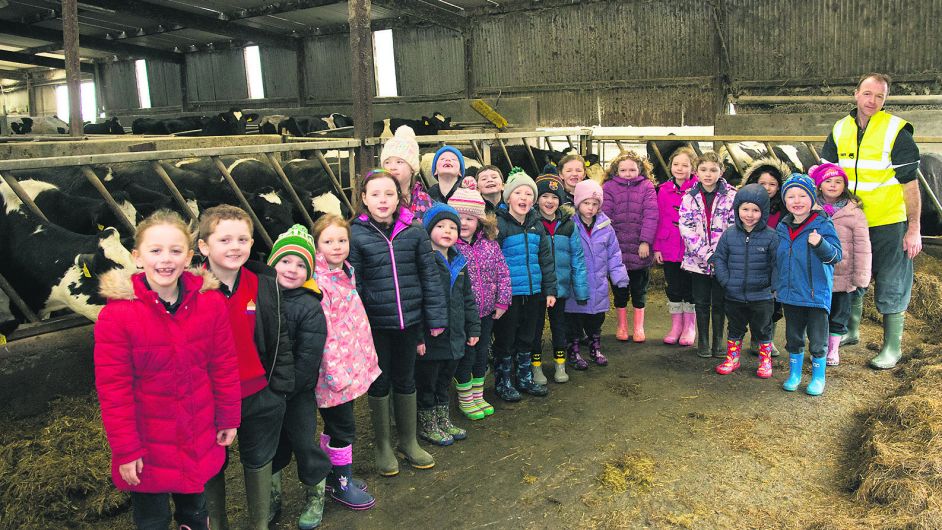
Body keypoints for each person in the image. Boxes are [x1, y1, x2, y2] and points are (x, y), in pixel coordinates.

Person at [94, 210, 241, 530]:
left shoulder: (210, 304)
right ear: (136, 257)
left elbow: (223, 364)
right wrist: (127, 448)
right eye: (155, 250)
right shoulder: (116, 317)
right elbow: (113, 391)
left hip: (198, 432)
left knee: (195, 510)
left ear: (188, 256)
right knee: (153, 519)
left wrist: (229, 416)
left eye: (175, 251)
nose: (166, 259)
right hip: (146, 444)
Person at [197, 205, 295, 530]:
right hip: (209, 400)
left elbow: (279, 336)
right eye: (224, 239)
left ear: (252, 243)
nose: (234, 246)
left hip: (259, 393)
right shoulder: (190, 291)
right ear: (203, 246)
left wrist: (278, 388)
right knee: (210, 465)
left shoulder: (264, 285)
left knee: (259, 458)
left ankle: (259, 524)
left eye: (242, 239)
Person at [348, 169, 447, 476]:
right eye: (375, 194)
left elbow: (429, 276)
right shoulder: (356, 234)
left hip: (409, 321)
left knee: (406, 378)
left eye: (389, 194)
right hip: (375, 325)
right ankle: (383, 446)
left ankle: (408, 441)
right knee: (380, 381)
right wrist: (357, 325)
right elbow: (356, 283)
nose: (382, 200)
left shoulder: (414, 231)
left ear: (398, 197)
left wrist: (435, 316)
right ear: (364, 198)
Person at [820, 72, 921, 369]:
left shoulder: (896, 130)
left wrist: (913, 228)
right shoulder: (840, 130)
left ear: (885, 99)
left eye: (879, 96)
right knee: (850, 274)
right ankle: (850, 329)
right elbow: (827, 177)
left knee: (892, 279)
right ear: (856, 94)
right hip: (850, 221)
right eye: (867, 94)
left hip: (888, 222)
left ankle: (892, 346)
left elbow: (910, 185)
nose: (872, 101)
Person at [265, 225, 358, 526]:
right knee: (271, 446)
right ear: (273, 262)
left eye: (301, 264)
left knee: (304, 444)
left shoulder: (309, 304)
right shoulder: (262, 299)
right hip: (265, 394)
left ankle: (315, 496)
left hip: (296, 393)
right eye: (285, 261)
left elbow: (308, 358)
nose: (292, 269)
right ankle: (271, 497)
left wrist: (288, 388)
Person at [310, 214, 380, 509]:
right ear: (317, 245)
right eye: (328, 241)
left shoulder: (345, 272)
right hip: (335, 373)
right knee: (344, 429)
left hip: (351, 365)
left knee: (335, 426)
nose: (337, 246)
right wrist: (335, 373)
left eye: (342, 240)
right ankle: (342, 484)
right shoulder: (319, 282)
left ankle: (332, 474)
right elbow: (324, 334)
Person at [415, 203, 481, 445]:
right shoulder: (424, 262)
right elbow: (418, 301)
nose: (447, 231)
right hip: (432, 337)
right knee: (428, 381)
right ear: (428, 229)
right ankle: (427, 423)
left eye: (452, 227)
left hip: (455, 335)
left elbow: (468, 298)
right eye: (440, 226)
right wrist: (419, 336)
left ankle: (443, 419)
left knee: (445, 380)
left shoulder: (459, 261)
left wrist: (473, 328)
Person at [493, 167, 557, 400]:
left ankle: (524, 377)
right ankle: (503, 381)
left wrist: (549, 290)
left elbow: (546, 260)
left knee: (528, 336)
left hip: (534, 292)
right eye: (518, 193)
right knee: (506, 338)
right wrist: (498, 294)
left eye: (529, 194)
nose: (524, 198)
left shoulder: (536, 224)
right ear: (508, 197)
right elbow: (495, 263)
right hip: (509, 295)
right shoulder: (499, 225)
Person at [776, 174, 842, 396]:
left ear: (812, 198)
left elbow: (835, 256)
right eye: (791, 196)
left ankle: (818, 377)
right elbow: (777, 258)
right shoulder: (782, 226)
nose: (797, 200)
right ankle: (794, 374)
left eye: (802, 195)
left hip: (815, 294)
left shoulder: (823, 224)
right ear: (785, 201)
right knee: (793, 338)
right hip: (790, 293)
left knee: (817, 340)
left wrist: (821, 244)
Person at [452, 177, 511, 417]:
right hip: (464, 316)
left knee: (481, 354)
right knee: (466, 356)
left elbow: (503, 273)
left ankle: (478, 396)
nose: (464, 223)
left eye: (469, 218)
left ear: (480, 221)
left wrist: (502, 300)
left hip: (487, 311)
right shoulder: (451, 248)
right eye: (459, 218)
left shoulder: (490, 244)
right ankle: (465, 399)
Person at [712, 184, 779, 378]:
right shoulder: (729, 234)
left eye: (755, 210)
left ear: (763, 211)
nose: (750, 215)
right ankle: (732, 358)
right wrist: (726, 280)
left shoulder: (771, 236)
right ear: (737, 209)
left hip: (762, 295)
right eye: (745, 209)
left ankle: (765, 361)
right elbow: (720, 259)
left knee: (763, 329)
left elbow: (777, 264)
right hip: (734, 293)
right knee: (735, 327)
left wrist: (773, 287)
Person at [811, 163, 872, 367]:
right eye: (828, 181)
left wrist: (861, 277)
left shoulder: (854, 212)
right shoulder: (810, 208)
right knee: (817, 314)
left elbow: (863, 246)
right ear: (819, 185)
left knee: (838, 314)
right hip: (817, 272)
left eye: (838, 182)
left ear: (844, 185)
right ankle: (818, 348)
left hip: (843, 274)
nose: (833, 185)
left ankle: (833, 350)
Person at [530, 174, 589, 383]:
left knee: (559, 326)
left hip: (561, 286)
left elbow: (578, 258)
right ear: (537, 199)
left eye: (554, 197)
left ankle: (559, 363)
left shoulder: (568, 225)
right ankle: (535, 366)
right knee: (535, 328)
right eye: (544, 196)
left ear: (561, 200)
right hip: (538, 287)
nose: (549, 201)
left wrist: (581, 290)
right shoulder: (531, 224)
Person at [565, 179, 630, 368]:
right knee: (575, 320)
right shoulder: (570, 226)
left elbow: (614, 255)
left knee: (596, 320)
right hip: (576, 285)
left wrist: (620, 279)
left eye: (595, 204)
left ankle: (595, 348)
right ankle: (574, 351)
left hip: (599, 284)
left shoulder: (605, 227)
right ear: (578, 203)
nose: (591, 208)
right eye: (586, 203)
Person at [679, 152, 737, 358]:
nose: (708, 174)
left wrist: (719, 256)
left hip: (723, 261)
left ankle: (718, 344)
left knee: (720, 303)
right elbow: (687, 229)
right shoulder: (689, 197)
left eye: (713, 170)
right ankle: (703, 343)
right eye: (703, 170)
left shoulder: (731, 195)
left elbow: (734, 227)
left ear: (721, 171)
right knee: (702, 302)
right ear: (696, 172)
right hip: (697, 262)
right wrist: (706, 254)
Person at [603, 151, 658, 343]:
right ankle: (622, 325)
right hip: (616, 248)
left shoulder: (647, 187)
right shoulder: (608, 187)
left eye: (632, 169)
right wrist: (608, 244)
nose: (628, 173)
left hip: (639, 248)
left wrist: (645, 241)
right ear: (615, 171)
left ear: (641, 169)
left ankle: (638, 326)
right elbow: (605, 215)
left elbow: (651, 215)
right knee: (619, 289)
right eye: (623, 169)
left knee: (639, 289)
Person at [740, 157, 790, 356]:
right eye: (762, 184)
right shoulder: (746, 206)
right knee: (754, 301)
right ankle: (755, 338)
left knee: (773, 303)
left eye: (773, 184)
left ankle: (766, 339)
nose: (768, 188)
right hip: (752, 259)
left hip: (775, 261)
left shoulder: (784, 208)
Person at [653, 147, 698, 346]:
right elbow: (659, 218)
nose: (680, 168)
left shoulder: (698, 188)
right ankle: (676, 326)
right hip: (668, 244)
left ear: (692, 167)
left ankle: (689, 327)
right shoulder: (663, 189)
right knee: (673, 286)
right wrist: (657, 247)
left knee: (689, 287)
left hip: (690, 247)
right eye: (676, 164)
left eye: (685, 165)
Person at [381, 125, 433, 218]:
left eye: (399, 162)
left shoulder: (423, 200)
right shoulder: (378, 199)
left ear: (412, 169)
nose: (392, 167)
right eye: (387, 162)